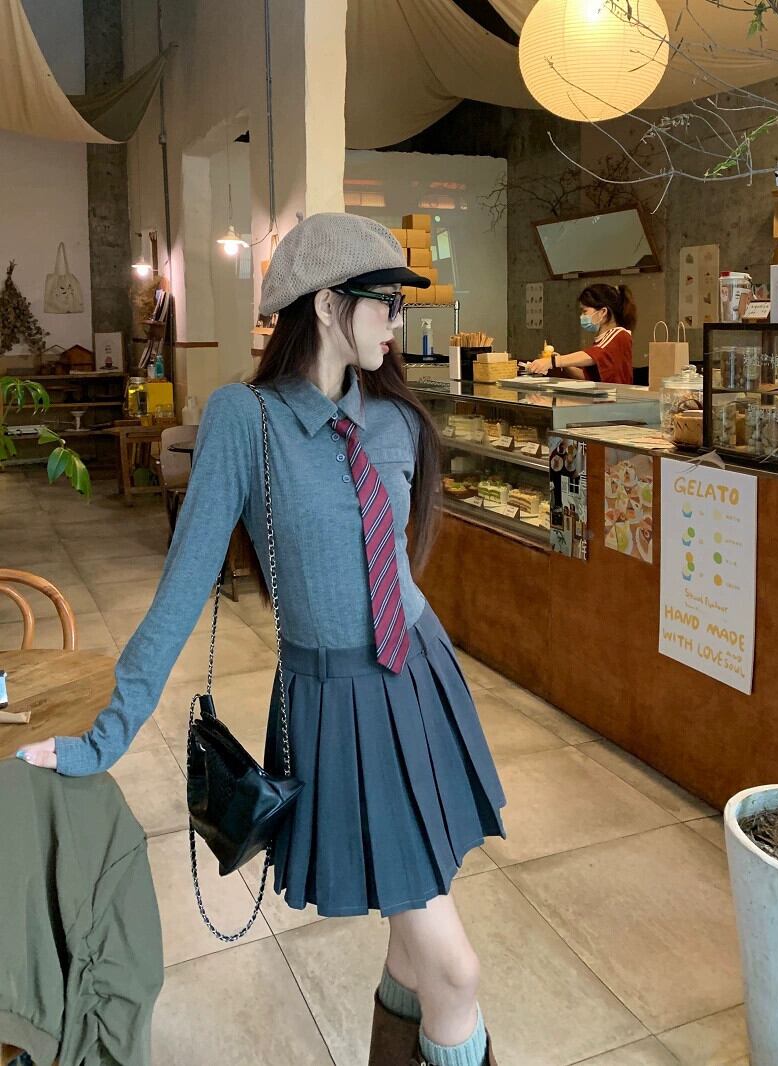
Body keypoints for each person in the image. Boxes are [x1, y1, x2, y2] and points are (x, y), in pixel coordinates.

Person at [17, 213, 506, 1066]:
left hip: (419, 683)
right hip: (339, 709)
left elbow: (394, 561)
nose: (398, 322)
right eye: (385, 302)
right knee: (454, 974)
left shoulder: (392, 417)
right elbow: (180, 591)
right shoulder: (247, 420)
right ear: (326, 304)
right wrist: (106, 737)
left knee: (416, 947)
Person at [525, 283, 637, 385]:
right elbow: (587, 377)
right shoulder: (601, 340)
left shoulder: (619, 334)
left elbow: (595, 354)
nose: (582, 316)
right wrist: (564, 364)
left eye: (585, 311)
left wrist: (553, 361)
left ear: (603, 312)